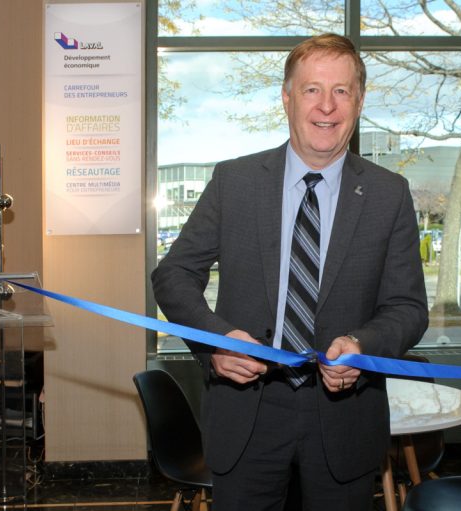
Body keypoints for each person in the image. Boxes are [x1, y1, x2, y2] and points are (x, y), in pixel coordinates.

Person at [152, 34, 428, 510]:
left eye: (341, 91)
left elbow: (407, 307)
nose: (327, 106)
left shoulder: (390, 194)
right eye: (311, 89)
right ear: (287, 97)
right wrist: (217, 341)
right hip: (247, 411)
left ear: (359, 101)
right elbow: (173, 275)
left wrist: (362, 346)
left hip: (345, 415)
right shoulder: (234, 182)